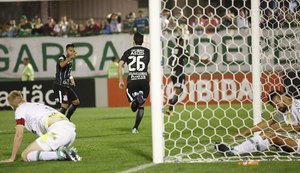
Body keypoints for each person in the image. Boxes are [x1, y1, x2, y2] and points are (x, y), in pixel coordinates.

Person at [0, 90, 80, 163]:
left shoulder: (19, 110)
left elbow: (19, 135)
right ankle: (60, 150)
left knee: (25, 155)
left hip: (59, 132)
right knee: (40, 148)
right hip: (70, 131)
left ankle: (62, 154)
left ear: (11, 106)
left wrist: (12, 158)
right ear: (23, 99)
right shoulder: (35, 105)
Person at [216, 90, 300, 156]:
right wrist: (246, 132)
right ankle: (235, 150)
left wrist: (281, 128)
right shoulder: (284, 109)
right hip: (297, 141)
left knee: (269, 136)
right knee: (267, 136)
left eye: (277, 104)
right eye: (275, 106)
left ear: (283, 97)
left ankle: (235, 151)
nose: (277, 108)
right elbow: (269, 122)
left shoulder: (298, 106)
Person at [166, 37, 211, 116]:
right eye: (182, 41)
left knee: (178, 91)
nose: (183, 42)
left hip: (173, 73)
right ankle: (170, 105)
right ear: (180, 41)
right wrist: (203, 61)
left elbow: (170, 61)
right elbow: (191, 58)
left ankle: (171, 107)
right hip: (179, 73)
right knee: (179, 92)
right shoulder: (182, 50)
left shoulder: (173, 50)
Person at [118, 32, 150, 134]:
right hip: (144, 80)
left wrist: (120, 80)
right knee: (141, 106)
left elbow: (120, 65)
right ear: (143, 41)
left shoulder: (128, 52)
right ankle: (135, 128)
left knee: (133, 108)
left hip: (132, 81)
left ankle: (136, 99)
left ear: (133, 41)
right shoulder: (148, 51)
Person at [52, 44, 80, 120]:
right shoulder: (62, 57)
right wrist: (70, 57)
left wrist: (71, 78)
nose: (72, 52)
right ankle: (55, 122)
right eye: (70, 50)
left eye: (73, 51)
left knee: (76, 102)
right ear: (66, 50)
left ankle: (67, 119)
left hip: (66, 86)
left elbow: (67, 73)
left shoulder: (70, 61)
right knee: (64, 106)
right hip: (59, 85)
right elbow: (61, 65)